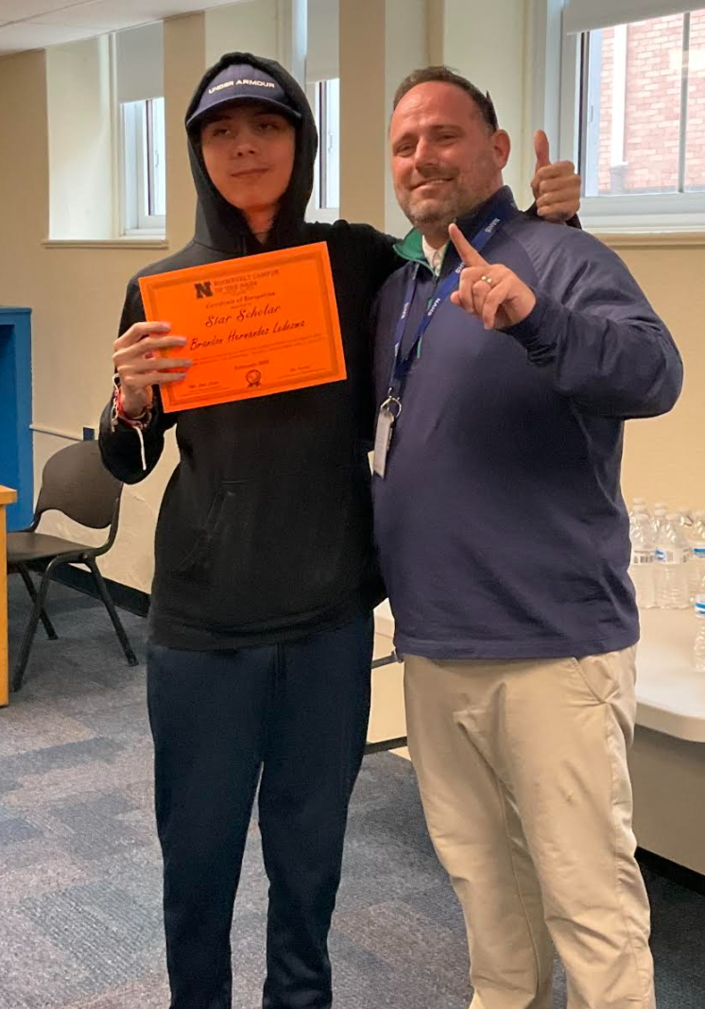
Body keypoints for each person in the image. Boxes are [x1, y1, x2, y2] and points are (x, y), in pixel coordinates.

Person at [98, 51, 581, 1009]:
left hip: (326, 619)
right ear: (198, 152)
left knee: (309, 860)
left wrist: (548, 227)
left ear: (300, 141)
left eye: (266, 127)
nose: (244, 147)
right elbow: (127, 460)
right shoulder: (163, 287)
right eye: (221, 133)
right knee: (196, 861)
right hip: (204, 627)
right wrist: (129, 400)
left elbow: (460, 273)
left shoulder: (360, 259)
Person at [371, 65, 683, 1009]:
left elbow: (653, 374)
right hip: (433, 642)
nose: (421, 156)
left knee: (588, 897)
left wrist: (536, 317)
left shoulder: (559, 256)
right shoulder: (401, 290)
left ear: (498, 150)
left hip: (553, 644)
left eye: (444, 135)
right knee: (481, 883)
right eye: (403, 143)